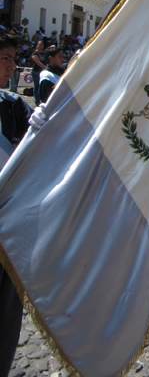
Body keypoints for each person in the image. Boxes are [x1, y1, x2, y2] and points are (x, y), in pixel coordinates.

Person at [0, 35, 35, 376]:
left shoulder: (12, 106)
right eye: (5, 59)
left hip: (9, 230)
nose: (12, 66)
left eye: (13, 58)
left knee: (6, 318)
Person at [31, 40, 46, 106]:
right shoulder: (35, 54)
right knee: (36, 86)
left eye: (41, 44)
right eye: (39, 44)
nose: (40, 46)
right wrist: (45, 67)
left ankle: (43, 100)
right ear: (37, 45)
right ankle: (37, 101)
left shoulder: (44, 53)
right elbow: (38, 62)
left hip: (43, 72)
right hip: (36, 72)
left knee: (42, 87)